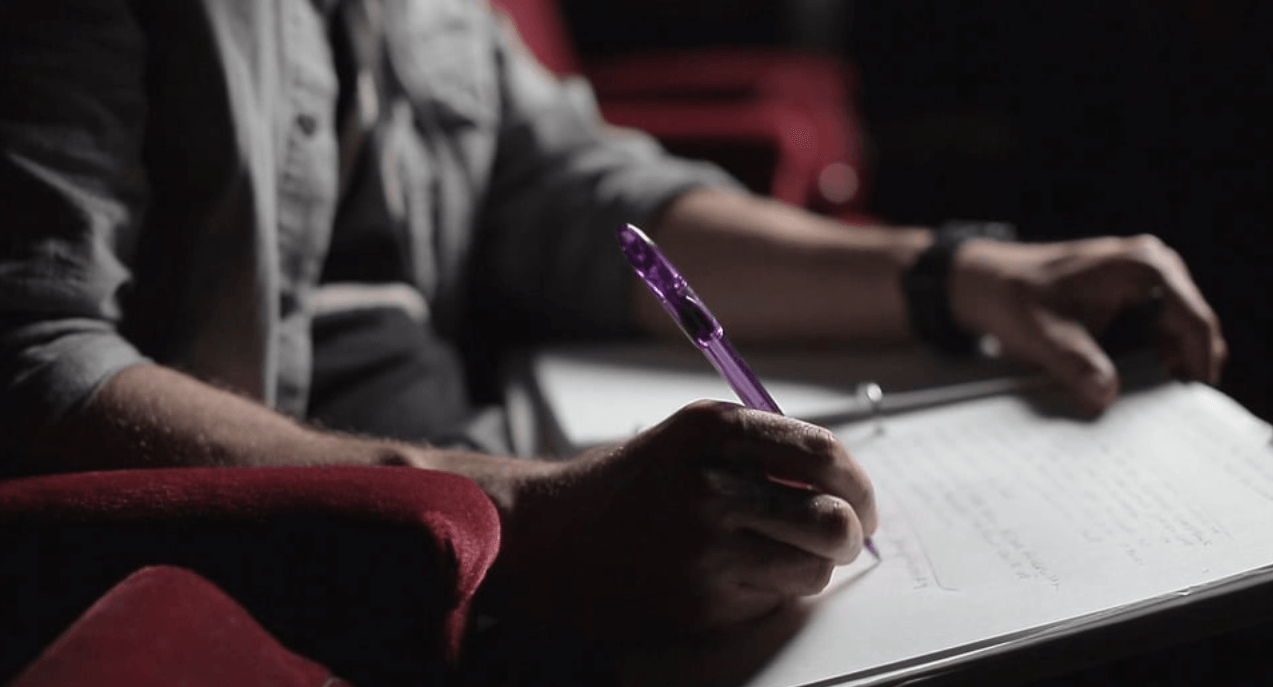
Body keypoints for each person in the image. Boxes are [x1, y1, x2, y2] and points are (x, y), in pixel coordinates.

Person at [0, 0, 1225, 643]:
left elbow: (577, 195)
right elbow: (29, 362)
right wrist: (532, 517)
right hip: (295, 598)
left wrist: (957, 276)